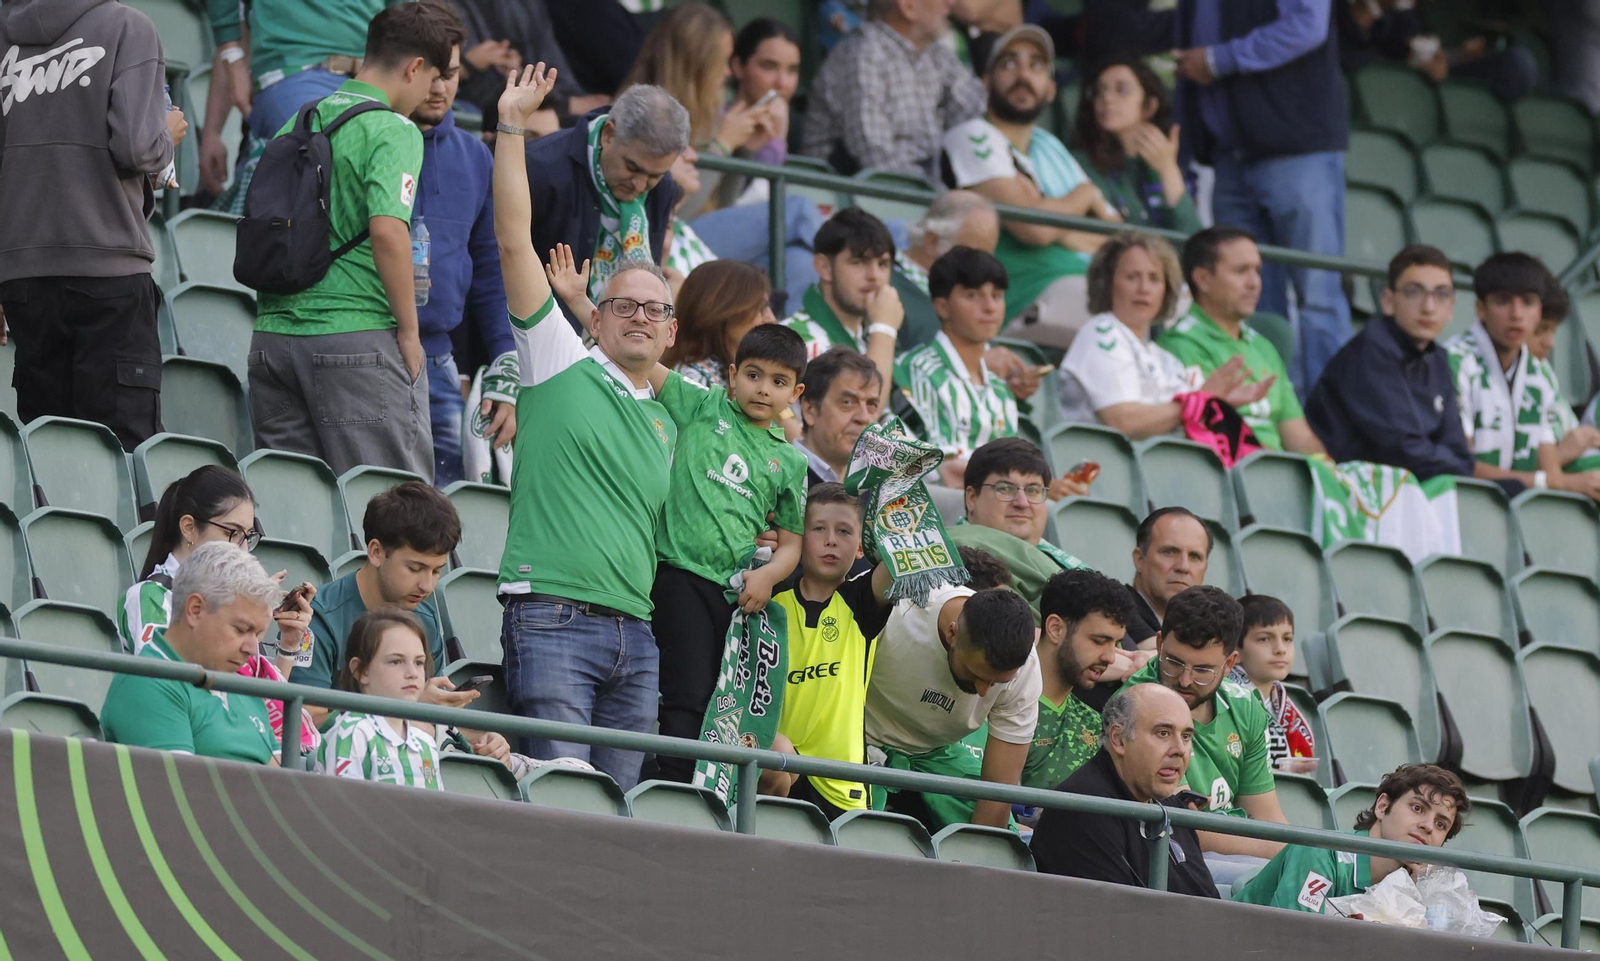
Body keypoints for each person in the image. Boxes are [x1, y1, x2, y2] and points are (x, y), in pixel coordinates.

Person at [494, 64, 673, 790]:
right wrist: (511, 126)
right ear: (591, 316)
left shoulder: (673, 412)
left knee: (622, 815)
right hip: (553, 616)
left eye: (654, 308)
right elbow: (512, 238)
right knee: (560, 804)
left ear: (671, 329)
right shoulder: (558, 358)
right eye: (622, 304)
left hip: (638, 632)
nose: (639, 315)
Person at [249, 3, 463, 480]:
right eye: (431, 78)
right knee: (391, 510)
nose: (431, 91)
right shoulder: (394, 129)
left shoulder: (300, 119)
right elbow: (389, 230)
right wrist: (410, 331)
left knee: (296, 517)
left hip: (273, 340)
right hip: (356, 343)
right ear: (414, 68)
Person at [0, 0, 185, 452]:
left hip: (23, 279)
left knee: (50, 451)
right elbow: (138, 149)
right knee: (124, 453)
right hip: (110, 272)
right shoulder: (128, 26)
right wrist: (167, 132)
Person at [642, 322, 810, 783]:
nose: (763, 389)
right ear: (732, 375)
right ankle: (674, 784)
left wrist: (768, 576)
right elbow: (641, 361)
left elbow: (793, 544)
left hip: (737, 595)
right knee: (688, 691)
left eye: (778, 382)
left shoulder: (791, 461)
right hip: (677, 576)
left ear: (795, 392)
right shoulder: (701, 404)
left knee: (724, 696)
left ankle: (712, 789)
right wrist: (581, 303)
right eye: (754, 375)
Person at [1172, 0, 1352, 394]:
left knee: (1318, 296)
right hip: (1228, 157)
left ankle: (1328, 425)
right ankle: (1268, 420)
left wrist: (1221, 60)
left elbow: (1308, 24)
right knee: (1246, 300)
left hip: (1297, 150)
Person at [118, 466, 319, 756]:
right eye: (232, 533)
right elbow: (171, 687)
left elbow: (261, 703)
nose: (242, 549)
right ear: (188, 527)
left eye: (247, 536)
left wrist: (287, 644)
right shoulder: (149, 595)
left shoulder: (230, 600)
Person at [940, 25, 1120, 340]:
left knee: (1169, 301)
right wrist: (1083, 198)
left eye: (1036, 66)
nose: (1023, 74)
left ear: (1050, 89)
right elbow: (1034, 228)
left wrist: (1051, 219)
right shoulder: (972, 135)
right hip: (1015, 294)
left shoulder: (1050, 148)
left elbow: (1115, 236)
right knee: (1116, 314)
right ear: (986, 82)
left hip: (1081, 280)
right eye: (1009, 63)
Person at [411, 39, 517, 487]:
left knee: (442, 518)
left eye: (450, 75)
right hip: (367, 351)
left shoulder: (476, 157)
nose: (439, 88)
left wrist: (506, 363)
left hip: (438, 360)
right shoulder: (366, 139)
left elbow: (491, 277)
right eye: (429, 75)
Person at [1121, 585, 1290, 864]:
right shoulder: (1134, 704)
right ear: (1160, 644)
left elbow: (1267, 817)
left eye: (1202, 670)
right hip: (1167, 856)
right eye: (1174, 663)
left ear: (1229, 664)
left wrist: (1291, 854)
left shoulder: (1245, 706)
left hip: (1234, 852)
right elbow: (1182, 825)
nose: (1185, 680)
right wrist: (1276, 851)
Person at [863, 580, 1041, 830]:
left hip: (937, 753)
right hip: (859, 738)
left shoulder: (1027, 670)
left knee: (1000, 841)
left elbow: (998, 790)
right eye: (976, 674)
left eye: (997, 683)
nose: (983, 691)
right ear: (952, 633)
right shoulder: (900, 610)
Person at [766, 484, 896, 818]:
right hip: (778, 769)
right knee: (771, 759)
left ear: (859, 548)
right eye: (818, 528)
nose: (831, 540)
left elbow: (899, 557)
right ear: (798, 536)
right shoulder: (769, 598)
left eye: (844, 531)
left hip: (841, 786)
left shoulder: (862, 602)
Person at [1058, 232, 1265, 437]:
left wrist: (1215, 404)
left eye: (1155, 279)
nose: (1144, 288)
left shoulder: (1166, 359)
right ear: (1108, 282)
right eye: (1132, 277)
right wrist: (1200, 400)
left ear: (1166, 290)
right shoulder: (1101, 332)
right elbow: (1122, 422)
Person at [521, 82, 688, 331]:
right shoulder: (540, 168)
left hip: (615, 348)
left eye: (655, 175)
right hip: (539, 337)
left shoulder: (663, 188)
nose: (640, 185)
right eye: (633, 167)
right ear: (609, 134)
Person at [1029, 684, 1220, 897]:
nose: (1180, 750)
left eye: (1186, 736)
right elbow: (1122, 920)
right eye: (1163, 733)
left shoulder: (1169, 803)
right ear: (1118, 739)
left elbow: (1208, 898)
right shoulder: (1084, 809)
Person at [1304, 245, 1476, 481]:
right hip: (1348, 494)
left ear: (1452, 308)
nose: (1428, 307)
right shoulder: (1370, 352)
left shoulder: (1438, 359)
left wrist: (1452, 462)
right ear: (1388, 301)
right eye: (1414, 292)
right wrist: (1450, 461)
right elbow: (1403, 451)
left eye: (1441, 295)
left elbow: (1461, 456)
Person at [303, 482, 470, 723]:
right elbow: (306, 718)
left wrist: (482, 739)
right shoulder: (319, 616)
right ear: (376, 552)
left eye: (436, 571)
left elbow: (434, 719)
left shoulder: (426, 619)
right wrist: (409, 710)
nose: (427, 586)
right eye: (415, 568)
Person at [102, 543, 284, 764]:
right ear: (195, 610)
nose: (252, 649)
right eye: (241, 630)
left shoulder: (244, 688)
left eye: (258, 634)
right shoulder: (147, 682)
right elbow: (180, 793)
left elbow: (283, 787)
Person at [1446, 252, 1600, 501]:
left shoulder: (1539, 374)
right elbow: (1462, 467)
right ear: (1480, 309)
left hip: (1518, 508)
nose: (1516, 314)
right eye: (1503, 301)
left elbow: (1550, 470)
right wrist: (1556, 482)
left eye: (1528, 302)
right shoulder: (1452, 361)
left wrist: (1567, 481)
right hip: (1463, 502)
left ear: (1539, 311)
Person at [1160, 227, 1327, 455]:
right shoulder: (1179, 345)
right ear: (1203, 279)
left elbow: (1298, 434)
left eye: (1257, 270)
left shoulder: (1263, 346)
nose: (1254, 282)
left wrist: (1329, 473)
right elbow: (1212, 435)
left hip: (1280, 472)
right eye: (1241, 271)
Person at [1233, 764, 1470, 913]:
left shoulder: (1425, 888)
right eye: (1418, 808)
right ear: (1383, 805)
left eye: (1441, 824)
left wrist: (1422, 898)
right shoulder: (1321, 852)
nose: (1428, 826)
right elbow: (1291, 942)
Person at [620, 5, 782, 218]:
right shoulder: (639, 116)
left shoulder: (708, 113)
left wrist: (742, 150)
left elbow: (722, 208)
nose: (728, 72)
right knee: (795, 211)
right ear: (696, 65)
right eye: (721, 61)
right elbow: (675, 215)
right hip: (669, 239)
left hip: (700, 243)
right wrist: (722, 145)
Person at [802, 0, 986, 179]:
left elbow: (977, 115)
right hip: (853, 194)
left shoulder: (936, 54)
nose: (951, 3)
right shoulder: (863, 53)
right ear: (908, 6)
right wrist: (930, 198)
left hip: (919, 191)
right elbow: (875, 158)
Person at [894, 247, 1019, 481]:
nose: (990, 306)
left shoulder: (1001, 390)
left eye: (997, 295)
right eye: (973, 295)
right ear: (942, 307)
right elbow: (941, 467)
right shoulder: (917, 370)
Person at [1022, 569, 1138, 791]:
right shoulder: (1001, 707)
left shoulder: (1096, 724)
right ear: (1056, 629)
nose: (1110, 657)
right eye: (1099, 641)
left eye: (1115, 643)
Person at [951, 438, 1092, 619]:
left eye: (1033, 490)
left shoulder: (1055, 560)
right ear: (972, 498)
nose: (1022, 503)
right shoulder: (954, 557)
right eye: (1005, 489)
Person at [783, 208, 904, 407]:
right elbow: (867, 415)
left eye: (883, 264)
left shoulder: (868, 339)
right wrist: (884, 329)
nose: (874, 276)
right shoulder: (796, 341)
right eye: (858, 262)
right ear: (824, 267)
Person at [1070, 56, 1202, 233]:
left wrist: (1168, 169)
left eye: (1122, 89)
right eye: (1099, 91)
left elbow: (1193, 240)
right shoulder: (1081, 161)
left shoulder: (1162, 162)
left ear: (1149, 106)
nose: (1107, 98)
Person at [322, 609, 447, 789]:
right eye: (396, 661)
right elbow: (344, 811)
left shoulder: (425, 742)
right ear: (361, 671)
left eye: (419, 662)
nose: (412, 673)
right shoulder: (352, 733)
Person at [450, 0, 609, 129]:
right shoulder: (437, 7)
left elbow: (550, 62)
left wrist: (518, 71)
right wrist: (467, 64)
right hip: (478, 113)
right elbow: (435, 81)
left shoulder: (526, 5)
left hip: (544, 99)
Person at [895, 191, 1003, 351]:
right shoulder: (884, 285)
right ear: (933, 241)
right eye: (973, 257)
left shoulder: (972, 294)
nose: (984, 269)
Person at [1227, 594, 1316, 774]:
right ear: (1235, 649)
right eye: (1264, 639)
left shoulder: (1285, 706)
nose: (1280, 649)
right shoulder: (1224, 699)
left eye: (1287, 639)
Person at [661, 261, 777, 390]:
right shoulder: (692, 379)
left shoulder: (729, 374)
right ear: (724, 310)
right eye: (761, 308)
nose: (772, 319)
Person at [1528, 285, 1600, 474]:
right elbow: (1504, 470)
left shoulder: (1541, 370)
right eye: (1540, 330)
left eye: (1553, 330)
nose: (1550, 343)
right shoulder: (1480, 375)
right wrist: (1562, 453)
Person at [796, 348, 884, 488]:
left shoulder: (876, 491)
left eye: (871, 405)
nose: (864, 417)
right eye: (847, 402)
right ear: (809, 410)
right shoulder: (778, 478)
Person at [1125, 507, 1212, 649]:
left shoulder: (1204, 623)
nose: (1184, 567)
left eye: (1194, 557)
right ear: (1140, 559)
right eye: (1170, 552)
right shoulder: (1112, 611)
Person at [728, 19, 802, 168]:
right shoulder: (715, 124)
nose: (782, 83)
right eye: (769, 67)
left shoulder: (799, 130)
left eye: (792, 70)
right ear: (738, 67)